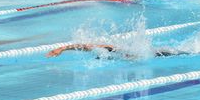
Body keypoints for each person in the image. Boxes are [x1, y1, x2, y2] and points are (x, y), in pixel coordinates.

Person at [46, 43, 188, 58]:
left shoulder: (156, 54)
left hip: (163, 53)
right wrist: (62, 48)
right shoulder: (116, 52)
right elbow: (87, 46)